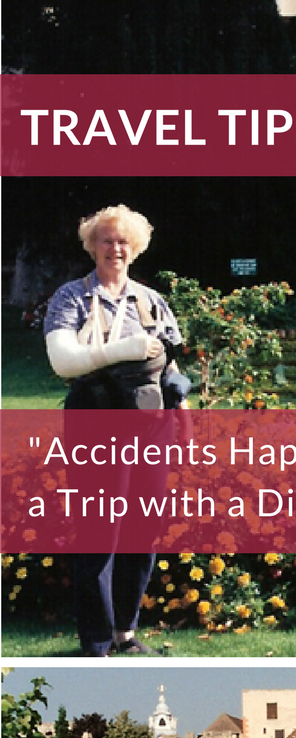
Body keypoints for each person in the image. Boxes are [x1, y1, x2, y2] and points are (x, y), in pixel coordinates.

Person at [43, 204, 189, 659]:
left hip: (150, 427)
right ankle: (97, 641)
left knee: (142, 530)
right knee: (98, 531)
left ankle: (126, 631)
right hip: (94, 422)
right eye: (106, 239)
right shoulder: (71, 298)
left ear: (136, 247)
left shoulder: (151, 301)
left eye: (123, 240)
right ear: (92, 246)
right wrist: (122, 348)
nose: (115, 248)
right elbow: (63, 360)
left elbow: (170, 364)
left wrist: (181, 409)